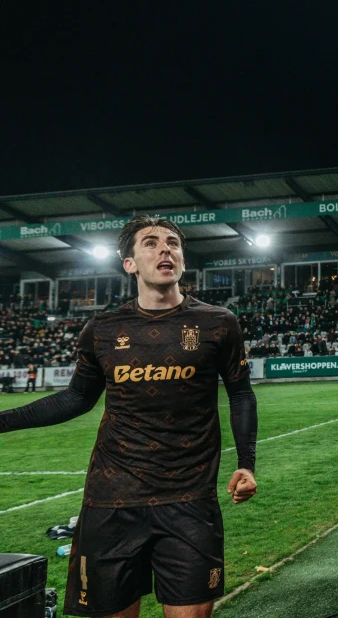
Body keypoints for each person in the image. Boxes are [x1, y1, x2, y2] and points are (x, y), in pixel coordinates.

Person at [0, 216, 259, 618]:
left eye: (173, 243)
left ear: (183, 259)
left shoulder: (217, 323)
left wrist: (246, 464)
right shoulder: (102, 329)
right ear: (130, 263)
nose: (165, 250)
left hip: (189, 501)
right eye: (151, 243)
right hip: (112, 501)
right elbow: (76, 399)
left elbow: (240, 393)